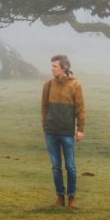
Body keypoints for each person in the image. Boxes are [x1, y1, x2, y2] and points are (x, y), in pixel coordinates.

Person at [41, 54, 85, 209]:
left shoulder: (75, 85)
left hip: (67, 133)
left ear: (64, 68)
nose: (52, 69)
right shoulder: (48, 85)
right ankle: (60, 197)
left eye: (55, 66)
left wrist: (80, 129)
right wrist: (45, 126)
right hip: (51, 132)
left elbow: (80, 109)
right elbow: (44, 107)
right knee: (55, 167)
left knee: (71, 167)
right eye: (51, 66)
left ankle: (71, 197)